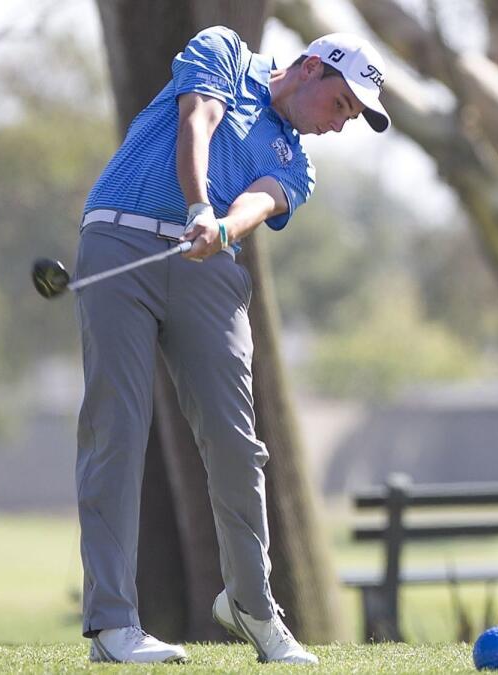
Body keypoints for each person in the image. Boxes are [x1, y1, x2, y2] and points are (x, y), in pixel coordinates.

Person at [72, 25, 389, 665]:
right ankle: (113, 625)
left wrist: (217, 226)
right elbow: (200, 120)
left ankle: (251, 605)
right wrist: (196, 205)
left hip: (207, 265)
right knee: (119, 429)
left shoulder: (297, 163)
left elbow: (257, 201)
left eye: (351, 117)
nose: (338, 124)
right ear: (308, 69)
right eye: (340, 106)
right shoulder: (224, 51)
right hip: (119, 236)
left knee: (236, 442)